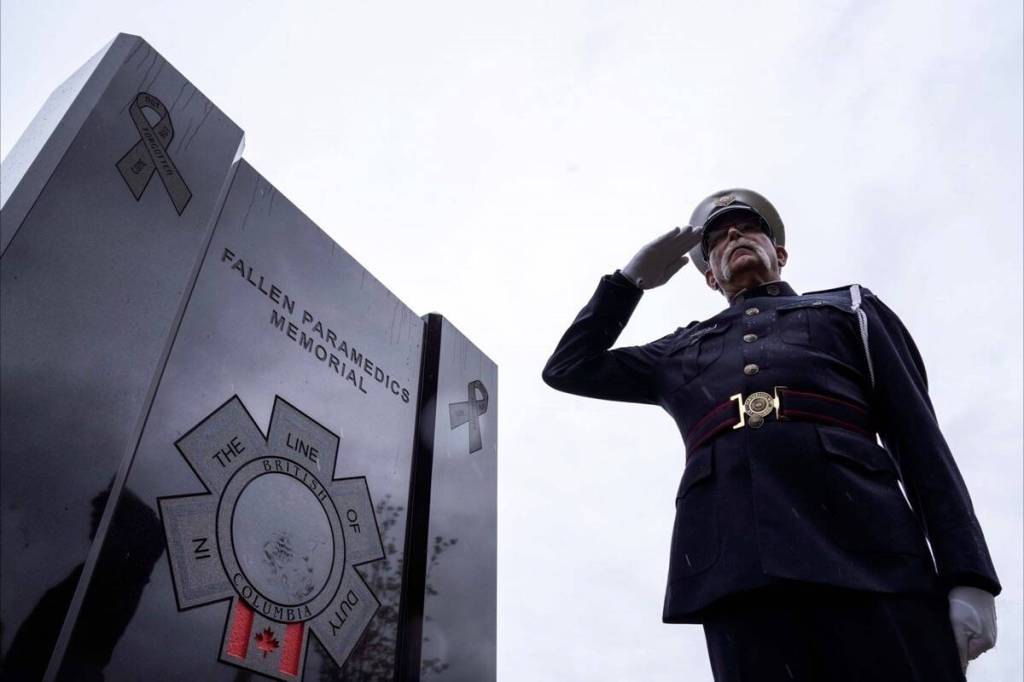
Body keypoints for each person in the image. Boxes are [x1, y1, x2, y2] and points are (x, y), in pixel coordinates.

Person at [541, 188, 1000, 681]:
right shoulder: (678, 349)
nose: (732, 235)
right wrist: (627, 283)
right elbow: (569, 367)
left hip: (868, 552)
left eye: (748, 227)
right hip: (738, 569)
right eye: (716, 238)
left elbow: (920, 442)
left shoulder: (848, 310)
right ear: (710, 277)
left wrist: (968, 577)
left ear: (779, 253)